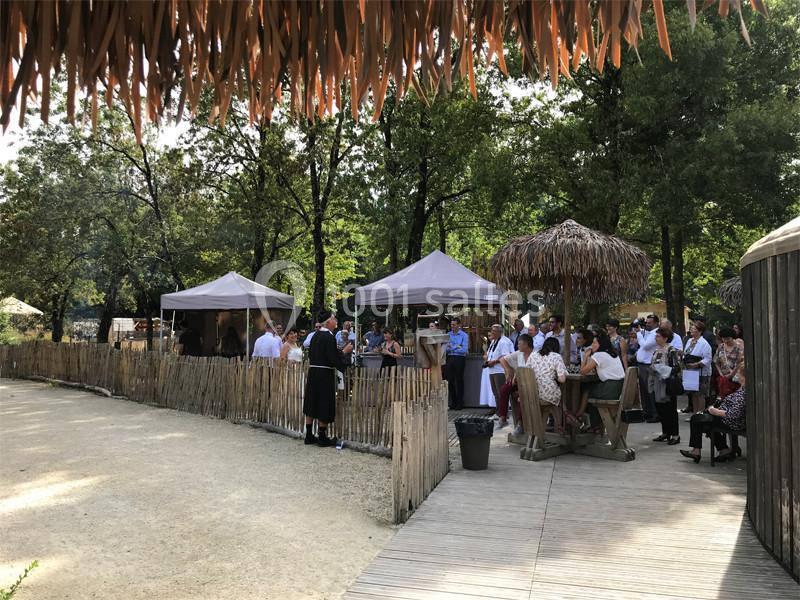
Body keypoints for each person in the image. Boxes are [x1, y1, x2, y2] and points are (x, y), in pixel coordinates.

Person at [304, 310, 353, 447]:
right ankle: (322, 436)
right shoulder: (329, 337)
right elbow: (333, 360)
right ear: (328, 322)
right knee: (324, 402)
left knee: (311, 401)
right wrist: (345, 352)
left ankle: (308, 435)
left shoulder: (315, 336)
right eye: (334, 318)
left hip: (313, 372)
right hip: (324, 374)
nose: (336, 320)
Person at [681, 362, 746, 463]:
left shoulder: (744, 392)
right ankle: (722, 449)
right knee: (701, 419)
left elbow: (734, 414)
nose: (737, 376)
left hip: (731, 422)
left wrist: (715, 411)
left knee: (697, 419)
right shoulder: (743, 388)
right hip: (730, 419)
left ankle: (697, 451)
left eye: (739, 374)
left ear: (744, 376)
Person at [572, 330, 626, 426]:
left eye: (594, 343)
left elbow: (583, 371)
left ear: (600, 344)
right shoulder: (613, 353)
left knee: (586, 390)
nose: (592, 345)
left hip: (610, 389)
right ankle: (595, 425)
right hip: (619, 388)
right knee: (590, 388)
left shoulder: (599, 355)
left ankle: (578, 415)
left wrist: (585, 357)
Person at [648, 327, 681, 445]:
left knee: (670, 409)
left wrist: (663, 371)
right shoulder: (657, 350)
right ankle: (666, 432)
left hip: (667, 383)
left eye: (658, 336)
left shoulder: (671, 350)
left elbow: (677, 367)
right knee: (661, 408)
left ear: (665, 338)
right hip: (657, 382)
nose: (656, 338)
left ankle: (675, 435)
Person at [498, 333, 535, 433]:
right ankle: (503, 417)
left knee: (521, 395)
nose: (517, 345)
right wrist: (509, 370)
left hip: (530, 384)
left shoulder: (536, 355)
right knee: (504, 389)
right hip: (518, 381)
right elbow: (502, 359)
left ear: (526, 344)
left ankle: (520, 423)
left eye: (519, 343)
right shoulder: (519, 353)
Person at [526, 337, 567, 427]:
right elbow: (562, 379)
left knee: (553, 403)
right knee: (560, 398)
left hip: (532, 393)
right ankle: (559, 426)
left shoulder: (533, 355)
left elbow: (527, 371)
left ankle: (554, 425)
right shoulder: (556, 356)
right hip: (548, 394)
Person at [479, 324, 514, 412]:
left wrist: (494, 362)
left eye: (494, 331)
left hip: (500, 370)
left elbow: (505, 356)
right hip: (492, 370)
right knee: (496, 393)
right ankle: (498, 412)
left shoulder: (504, 342)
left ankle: (502, 413)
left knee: (500, 393)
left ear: (499, 332)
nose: (492, 332)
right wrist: (488, 361)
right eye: (492, 330)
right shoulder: (494, 341)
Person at [683, 322, 713, 414]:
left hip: (701, 372)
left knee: (700, 394)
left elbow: (707, 359)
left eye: (694, 329)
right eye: (691, 328)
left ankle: (700, 414)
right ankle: (694, 414)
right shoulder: (689, 341)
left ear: (700, 331)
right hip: (690, 371)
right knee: (693, 394)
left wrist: (695, 364)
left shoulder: (704, 343)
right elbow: (686, 353)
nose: (691, 330)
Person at [635, 314, 660, 422]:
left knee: (650, 391)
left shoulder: (656, 334)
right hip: (642, 365)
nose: (647, 324)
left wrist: (638, 333)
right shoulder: (647, 332)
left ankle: (655, 414)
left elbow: (645, 345)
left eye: (650, 323)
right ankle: (647, 412)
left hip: (648, 365)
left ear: (656, 323)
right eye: (646, 322)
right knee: (644, 391)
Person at [445, 317, 469, 410]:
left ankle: (460, 403)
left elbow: (464, 350)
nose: (452, 326)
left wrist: (452, 347)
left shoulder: (464, 335)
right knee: (449, 381)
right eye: (451, 325)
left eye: (454, 325)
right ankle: (453, 402)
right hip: (450, 358)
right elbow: (446, 349)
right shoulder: (448, 334)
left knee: (459, 381)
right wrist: (457, 346)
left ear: (459, 325)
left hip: (460, 359)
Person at [714, 327, 744, 400]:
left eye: (728, 338)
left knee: (735, 397)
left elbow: (740, 362)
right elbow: (716, 361)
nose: (725, 340)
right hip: (723, 377)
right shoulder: (721, 346)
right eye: (723, 338)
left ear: (732, 337)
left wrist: (732, 374)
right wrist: (721, 374)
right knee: (724, 396)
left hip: (736, 377)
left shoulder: (738, 347)